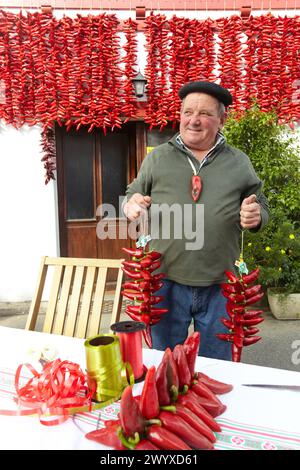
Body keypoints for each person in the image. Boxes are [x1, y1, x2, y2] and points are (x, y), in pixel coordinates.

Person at [123, 81, 269, 360]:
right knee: (166, 365)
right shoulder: (159, 158)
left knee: (218, 367)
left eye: (205, 113)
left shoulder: (238, 162)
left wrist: (256, 215)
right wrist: (132, 204)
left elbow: (260, 202)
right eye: (188, 112)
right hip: (163, 283)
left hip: (221, 285)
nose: (194, 120)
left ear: (222, 119)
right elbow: (134, 191)